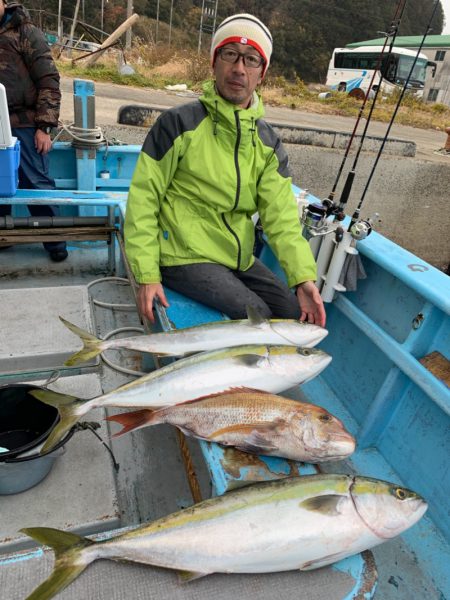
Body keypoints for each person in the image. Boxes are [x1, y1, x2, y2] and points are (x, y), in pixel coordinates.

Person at [125, 13, 325, 326]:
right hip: (183, 255)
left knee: (291, 313)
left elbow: (281, 217)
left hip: (237, 257)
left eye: (251, 59)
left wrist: (303, 279)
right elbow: (143, 200)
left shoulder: (268, 143)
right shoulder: (177, 124)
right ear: (214, 62)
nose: (239, 68)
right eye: (229, 54)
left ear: (263, 73)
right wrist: (146, 274)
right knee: (261, 317)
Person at [0, 0, 67, 262]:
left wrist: (44, 126)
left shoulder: (26, 32)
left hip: (26, 123)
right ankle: (4, 237)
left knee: (36, 182)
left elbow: (49, 81)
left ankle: (56, 242)